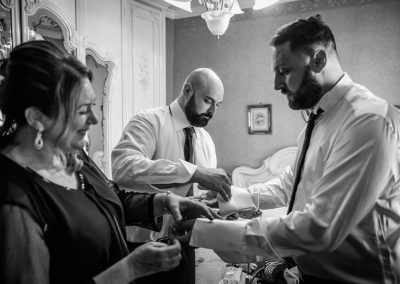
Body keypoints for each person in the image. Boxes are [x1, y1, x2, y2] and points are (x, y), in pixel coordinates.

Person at [191, 14, 400, 283]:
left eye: (284, 71)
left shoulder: (367, 121)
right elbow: (289, 185)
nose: (277, 85)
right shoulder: (317, 122)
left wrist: (209, 232)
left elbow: (321, 228)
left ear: (319, 60)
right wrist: (226, 198)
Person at [0, 40, 219, 284]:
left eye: (93, 105)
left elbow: (114, 199)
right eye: (83, 110)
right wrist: (128, 270)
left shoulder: (72, 155)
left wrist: (165, 201)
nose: (94, 119)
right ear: (37, 118)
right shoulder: (13, 201)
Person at [111, 67, 232, 283]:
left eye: (217, 105)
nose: (213, 110)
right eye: (208, 100)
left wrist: (214, 203)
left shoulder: (206, 141)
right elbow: (123, 167)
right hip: (141, 245)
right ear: (187, 90)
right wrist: (193, 172)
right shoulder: (148, 121)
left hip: (185, 244)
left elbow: (200, 194)